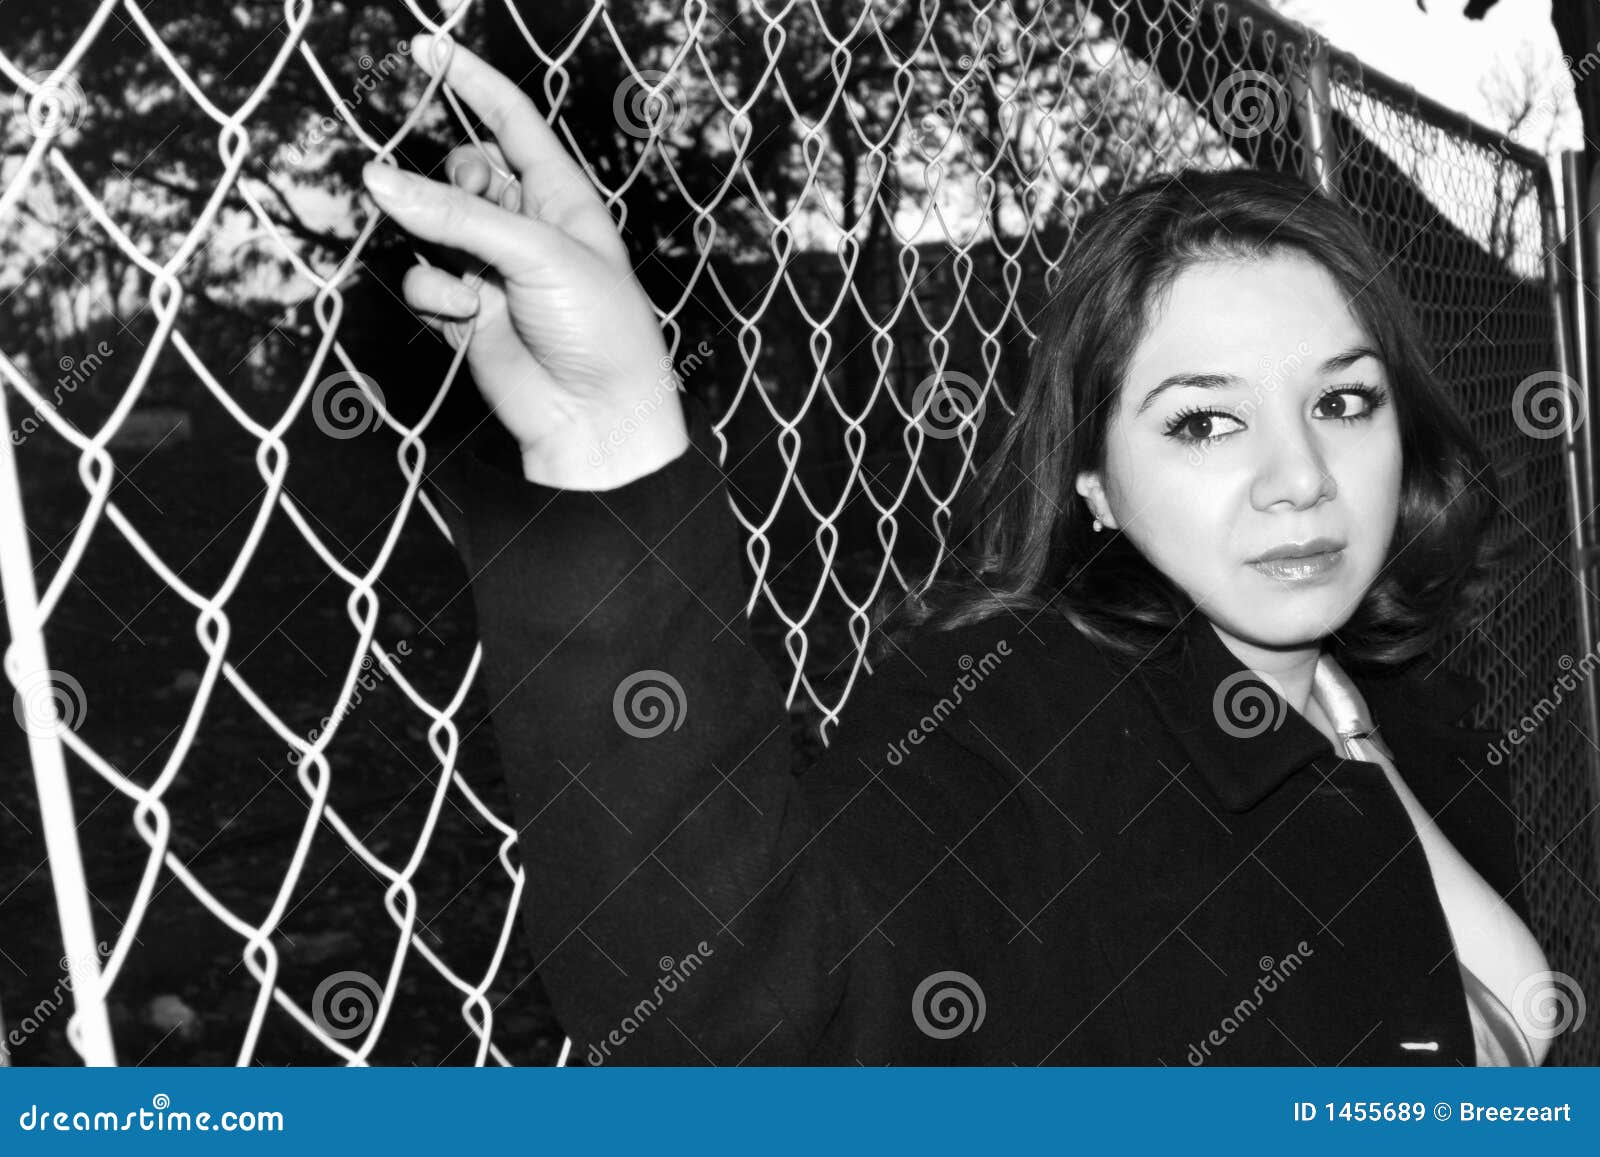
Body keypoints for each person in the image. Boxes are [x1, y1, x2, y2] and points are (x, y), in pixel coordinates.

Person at [366, 34, 1557, 1066]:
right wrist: (607, 440)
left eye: (1342, 403)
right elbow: (756, 1014)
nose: (1299, 477)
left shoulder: (1398, 695)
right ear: (1092, 475)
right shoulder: (1027, 715)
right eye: (1204, 420)